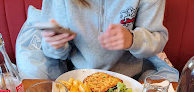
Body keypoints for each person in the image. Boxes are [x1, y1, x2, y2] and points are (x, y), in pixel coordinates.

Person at [16, 0, 179, 81]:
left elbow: (158, 39)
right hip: (78, 81)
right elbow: (55, 52)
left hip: (130, 81)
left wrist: (132, 40)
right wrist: (56, 44)